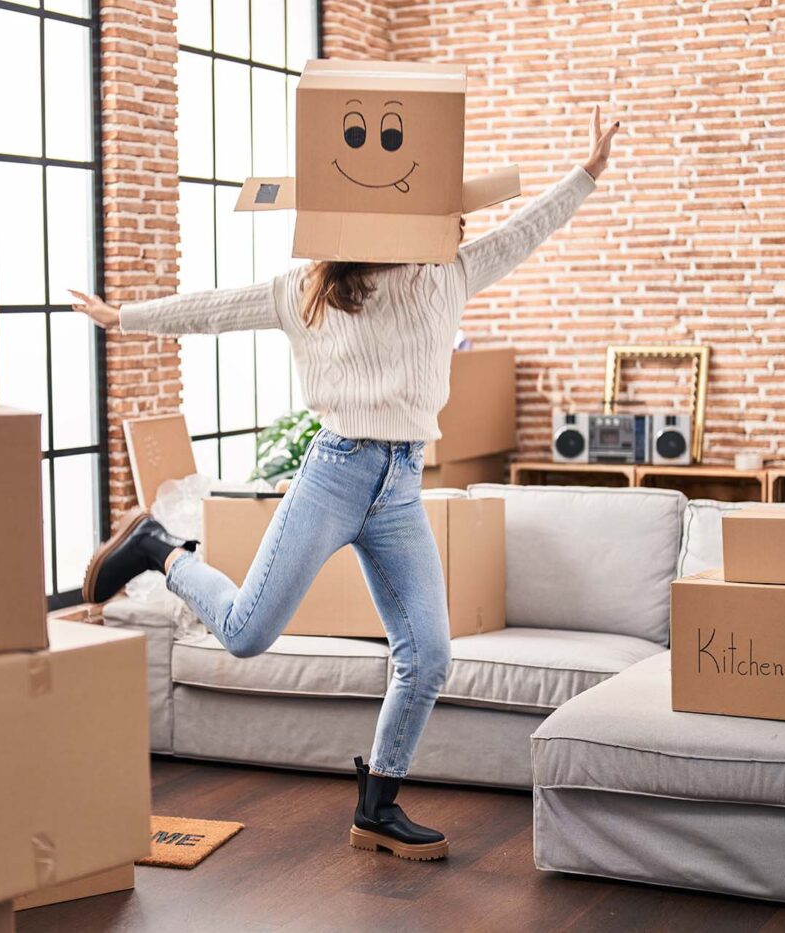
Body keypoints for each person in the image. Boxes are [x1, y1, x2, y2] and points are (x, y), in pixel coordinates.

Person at [71, 107, 619, 862]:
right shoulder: (308, 290)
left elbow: (526, 232)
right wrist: (121, 316)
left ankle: (377, 806)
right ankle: (161, 547)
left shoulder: (450, 274)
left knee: (427, 652)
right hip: (335, 471)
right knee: (245, 633)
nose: (456, 226)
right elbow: (213, 310)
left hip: (399, 486)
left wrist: (586, 173)